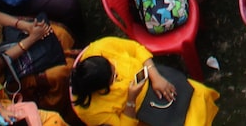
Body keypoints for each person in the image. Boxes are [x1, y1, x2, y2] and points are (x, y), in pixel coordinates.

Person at [70, 36, 220, 126]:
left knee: (198, 93)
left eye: (113, 66)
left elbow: (135, 49)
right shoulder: (91, 111)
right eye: (114, 78)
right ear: (100, 89)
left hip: (155, 78)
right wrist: (131, 99)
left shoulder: (100, 47)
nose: (117, 73)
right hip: (146, 114)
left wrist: (156, 77)